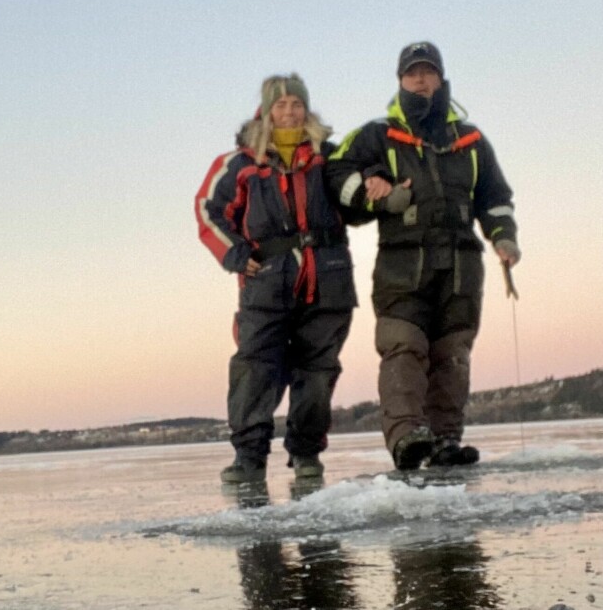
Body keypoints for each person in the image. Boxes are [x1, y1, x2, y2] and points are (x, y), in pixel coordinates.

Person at [326, 41, 520, 470]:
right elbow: (335, 172)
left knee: (452, 354)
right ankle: (407, 438)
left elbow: (496, 197)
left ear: (440, 78)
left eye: (428, 71)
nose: (420, 78)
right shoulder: (377, 133)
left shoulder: (471, 139)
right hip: (402, 266)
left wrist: (503, 236)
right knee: (404, 347)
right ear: (400, 80)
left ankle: (446, 438)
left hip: (461, 268)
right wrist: (373, 188)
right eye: (412, 72)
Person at [195, 74, 360, 484]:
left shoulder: (330, 156)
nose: (290, 112)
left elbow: (357, 192)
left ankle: (306, 453)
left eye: (297, 105)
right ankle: (249, 457)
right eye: (281, 105)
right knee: (255, 367)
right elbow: (207, 211)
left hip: (328, 278)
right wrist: (236, 253)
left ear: (307, 110)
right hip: (265, 281)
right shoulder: (239, 163)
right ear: (267, 111)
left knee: (318, 370)